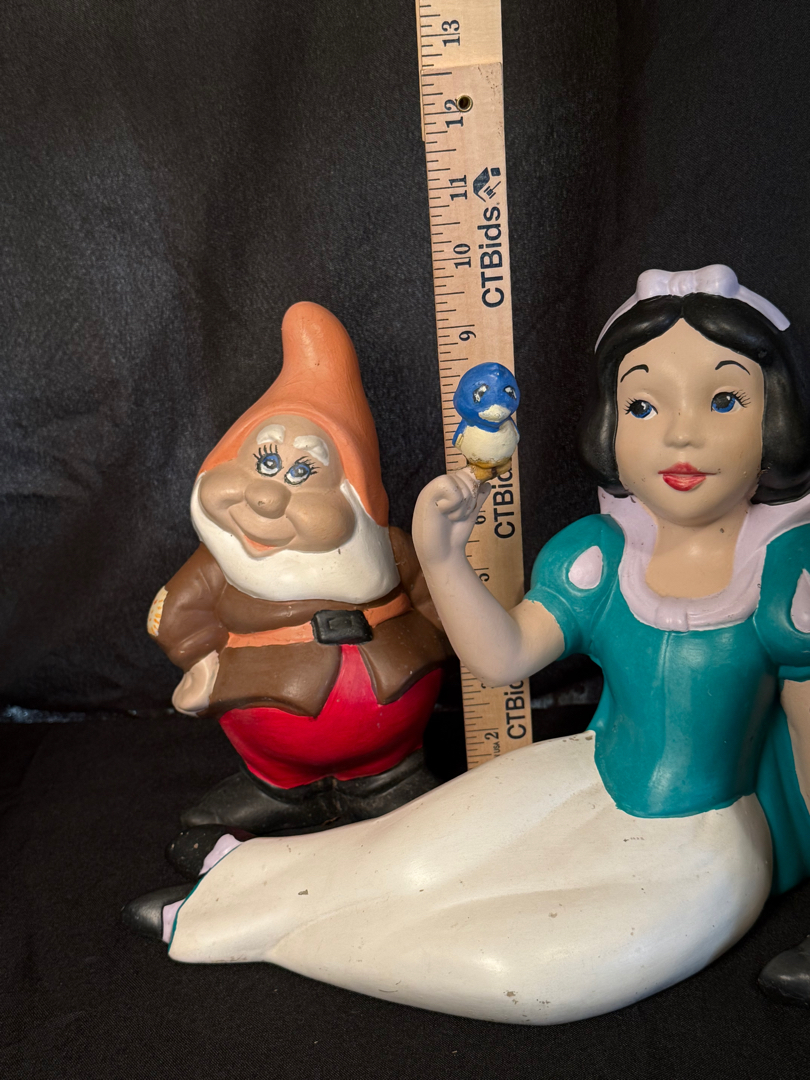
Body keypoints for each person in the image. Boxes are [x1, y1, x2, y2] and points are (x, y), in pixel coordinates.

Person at [125, 266, 810, 1025]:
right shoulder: (602, 556)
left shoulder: (786, 578)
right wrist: (443, 556)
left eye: (723, 400)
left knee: (526, 970)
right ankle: (238, 887)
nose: (680, 434)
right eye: (644, 404)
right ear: (611, 425)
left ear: (776, 418)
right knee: (415, 849)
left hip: (702, 838)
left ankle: (277, 934)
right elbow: (503, 657)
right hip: (584, 772)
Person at [146, 302, 450, 843]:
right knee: (272, 777)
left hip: (396, 715)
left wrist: (441, 640)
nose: (267, 497)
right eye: (264, 462)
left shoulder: (391, 548)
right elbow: (176, 619)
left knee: (418, 808)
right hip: (269, 726)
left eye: (302, 472)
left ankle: (389, 780)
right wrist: (203, 663)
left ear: (353, 493)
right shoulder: (218, 565)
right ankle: (281, 789)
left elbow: (438, 600)